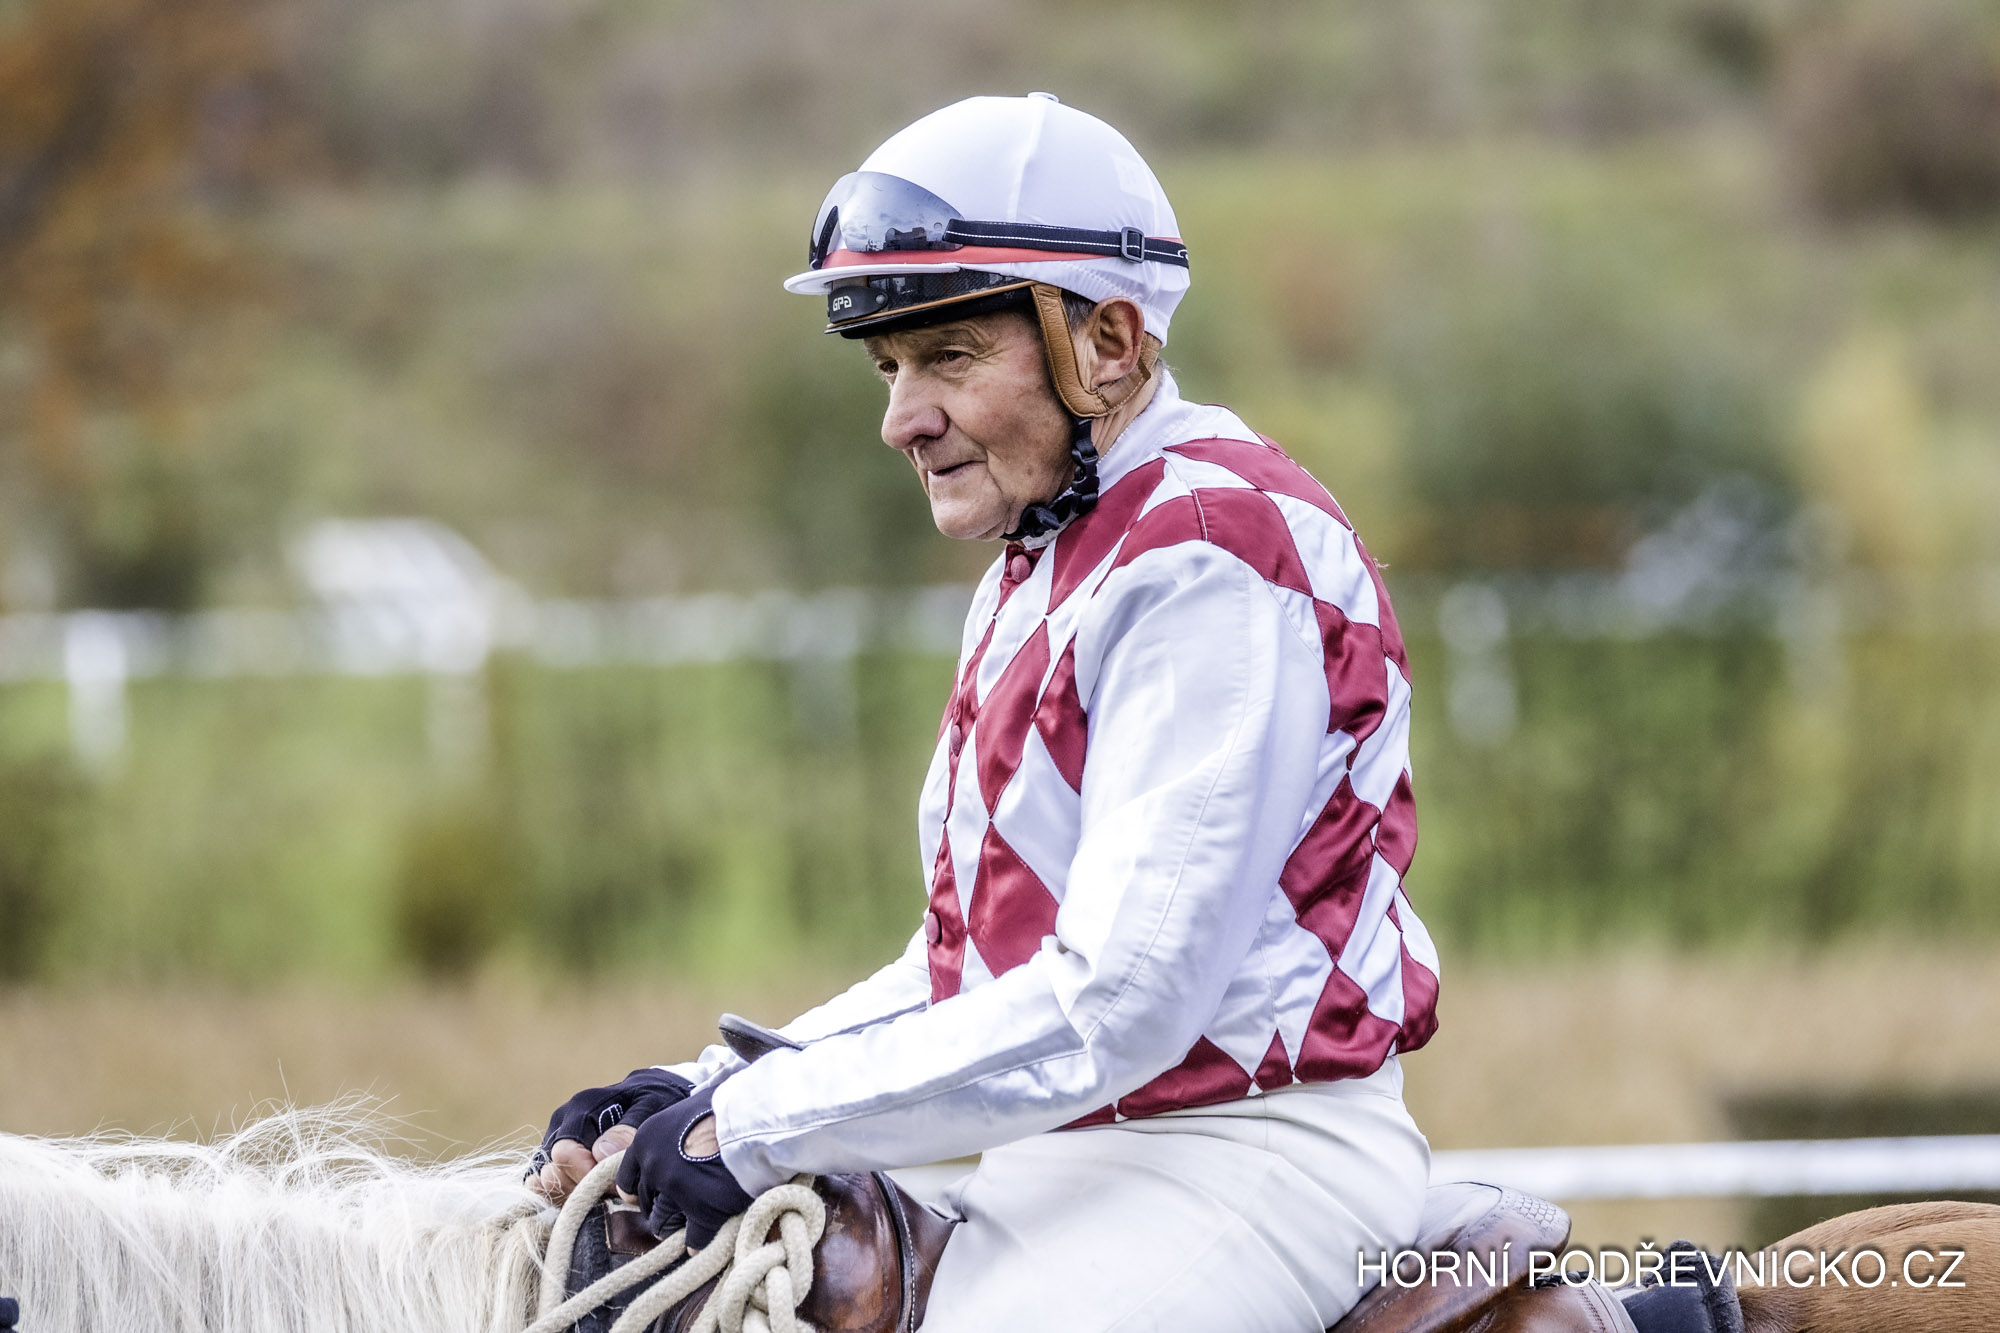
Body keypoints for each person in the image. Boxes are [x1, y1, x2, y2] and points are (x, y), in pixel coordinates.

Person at [532, 93, 1441, 1333]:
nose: (899, 419)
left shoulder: (1208, 551)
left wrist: (748, 1126)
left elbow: (1119, 1000)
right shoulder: (1057, 553)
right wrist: (702, 1087)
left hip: (1247, 1164)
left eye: (947, 359)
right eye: (888, 367)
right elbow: (971, 971)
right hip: (1070, 1159)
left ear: (1107, 340)